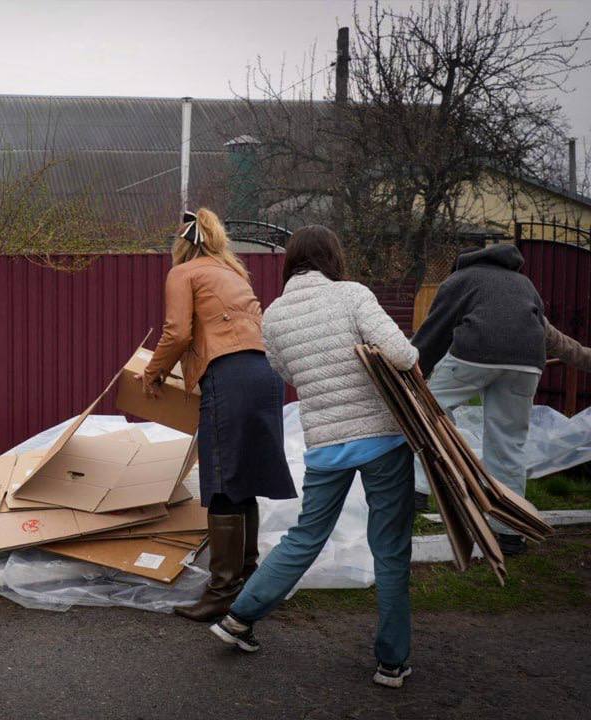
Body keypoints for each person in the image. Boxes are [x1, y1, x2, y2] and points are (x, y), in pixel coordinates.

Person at [209, 225, 420, 690]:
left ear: (290, 262)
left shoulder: (276, 315)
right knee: (389, 547)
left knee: (305, 536)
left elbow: (282, 369)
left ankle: (239, 618)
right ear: (333, 257)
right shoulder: (353, 295)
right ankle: (391, 662)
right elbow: (402, 355)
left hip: (325, 442)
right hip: (382, 440)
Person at [140, 208, 295, 622]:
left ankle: (221, 593)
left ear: (182, 244)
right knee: (244, 479)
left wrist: (152, 375)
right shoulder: (233, 272)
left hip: (229, 376)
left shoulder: (184, 273)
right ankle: (247, 581)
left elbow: (178, 332)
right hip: (266, 374)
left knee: (224, 479)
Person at [410, 243, 545, 556]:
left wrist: (416, 373)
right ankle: (510, 533)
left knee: (427, 410)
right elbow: (539, 327)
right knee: (509, 441)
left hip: (478, 351)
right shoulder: (524, 283)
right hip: (528, 362)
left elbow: (435, 331)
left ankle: (417, 489)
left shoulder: (461, 279)